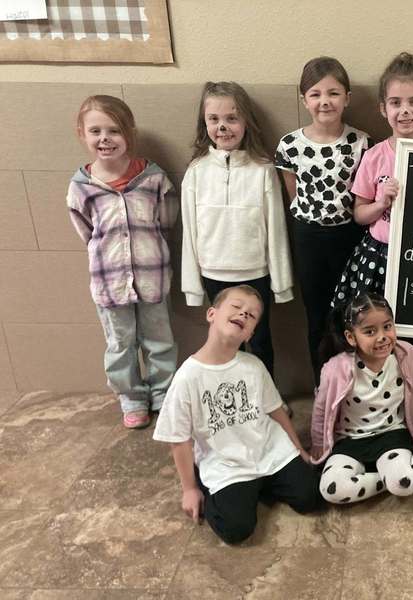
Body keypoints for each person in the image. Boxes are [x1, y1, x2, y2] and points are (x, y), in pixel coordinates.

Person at [153, 285, 322, 544]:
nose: (244, 314)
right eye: (236, 307)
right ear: (212, 313)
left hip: (269, 451)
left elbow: (275, 410)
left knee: (310, 497)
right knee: (236, 529)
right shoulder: (188, 376)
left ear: (251, 333)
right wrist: (189, 489)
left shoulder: (253, 367)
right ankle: (237, 487)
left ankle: (261, 486)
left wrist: (298, 448)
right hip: (227, 464)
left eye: (252, 315)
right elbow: (178, 439)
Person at [67, 95, 177, 429]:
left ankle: (163, 393)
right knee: (120, 343)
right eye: (95, 131)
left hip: (152, 276)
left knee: (160, 339)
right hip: (109, 281)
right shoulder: (82, 187)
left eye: (114, 130)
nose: (105, 138)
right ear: (82, 135)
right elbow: (86, 232)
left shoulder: (154, 179)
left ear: (129, 133)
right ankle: (131, 397)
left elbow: (167, 220)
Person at [181, 81, 293, 376]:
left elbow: (277, 231)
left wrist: (281, 285)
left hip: (255, 274)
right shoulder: (196, 172)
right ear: (203, 123)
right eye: (214, 119)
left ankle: (265, 397)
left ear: (246, 122)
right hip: (213, 275)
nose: (223, 127)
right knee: (226, 342)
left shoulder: (263, 170)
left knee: (260, 340)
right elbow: (190, 235)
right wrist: (193, 287)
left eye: (232, 118)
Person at [275, 57, 370, 384]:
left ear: (347, 97)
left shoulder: (360, 142)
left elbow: (363, 194)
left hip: (350, 236)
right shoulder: (290, 146)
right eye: (315, 94)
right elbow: (293, 197)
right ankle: (323, 383)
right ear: (304, 99)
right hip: (309, 237)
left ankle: (357, 382)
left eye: (333, 93)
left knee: (353, 311)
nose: (324, 101)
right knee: (317, 314)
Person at [311, 292, 413, 504]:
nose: (382, 336)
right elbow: (321, 410)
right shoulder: (334, 368)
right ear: (351, 337)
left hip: (392, 435)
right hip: (350, 440)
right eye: (370, 331)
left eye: (387, 327)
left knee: (402, 485)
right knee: (331, 490)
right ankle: (402, 478)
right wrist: (318, 443)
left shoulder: (406, 354)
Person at [331, 52, 413, 306]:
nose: (405, 111)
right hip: (380, 255)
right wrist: (380, 204)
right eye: (395, 103)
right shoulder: (374, 156)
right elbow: (359, 214)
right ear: (383, 108)